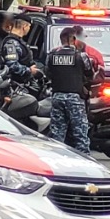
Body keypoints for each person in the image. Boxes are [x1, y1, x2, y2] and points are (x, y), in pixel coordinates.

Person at [45, 25, 97, 154]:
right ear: (74, 39)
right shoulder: (81, 56)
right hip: (75, 99)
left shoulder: (51, 55)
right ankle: (84, 160)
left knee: (57, 134)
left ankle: (56, 158)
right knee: (80, 133)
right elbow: (90, 75)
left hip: (57, 97)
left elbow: (48, 73)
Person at [0, 13, 40, 82]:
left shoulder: (19, 41)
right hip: (15, 84)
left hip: (23, 82)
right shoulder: (11, 43)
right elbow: (12, 65)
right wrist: (29, 70)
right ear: (24, 26)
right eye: (29, 26)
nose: (29, 29)